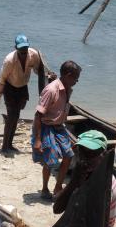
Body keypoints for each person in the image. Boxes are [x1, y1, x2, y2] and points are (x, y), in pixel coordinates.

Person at [32, 60, 81, 200]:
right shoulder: (51, 90)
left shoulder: (67, 89)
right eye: (76, 78)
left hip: (59, 127)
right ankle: (45, 188)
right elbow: (38, 115)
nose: (77, 81)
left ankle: (58, 186)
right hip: (46, 126)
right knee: (50, 159)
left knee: (69, 155)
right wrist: (37, 139)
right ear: (68, 75)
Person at [0, 34, 41, 155]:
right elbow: (1, 79)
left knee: (16, 116)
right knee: (11, 117)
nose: (24, 52)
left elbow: (37, 69)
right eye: (21, 50)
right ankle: (4, 146)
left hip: (23, 87)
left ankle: (10, 144)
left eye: (25, 49)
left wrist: (46, 75)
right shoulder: (9, 60)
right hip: (9, 88)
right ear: (16, 48)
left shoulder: (34, 55)